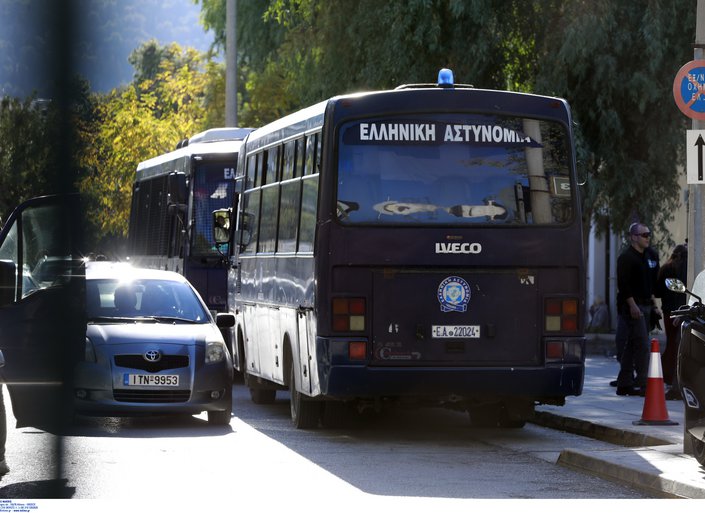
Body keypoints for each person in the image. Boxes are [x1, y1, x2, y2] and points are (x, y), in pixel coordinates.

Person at [614, 222, 661, 396]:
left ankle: (624, 382)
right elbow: (623, 285)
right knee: (642, 343)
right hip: (631, 306)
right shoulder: (626, 258)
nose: (648, 238)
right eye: (644, 235)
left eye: (649, 234)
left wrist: (655, 306)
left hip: (647, 304)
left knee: (632, 344)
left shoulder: (651, 255)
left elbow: (651, 284)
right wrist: (632, 306)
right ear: (634, 237)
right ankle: (643, 383)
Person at [655, 244, 688, 400]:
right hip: (682, 311)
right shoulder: (685, 269)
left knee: (671, 345)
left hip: (669, 311)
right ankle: (672, 378)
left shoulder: (666, 268)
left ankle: (665, 376)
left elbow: (658, 291)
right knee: (677, 346)